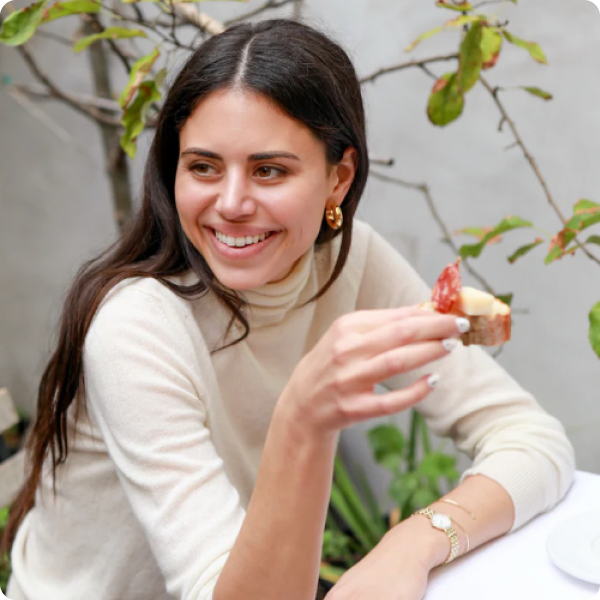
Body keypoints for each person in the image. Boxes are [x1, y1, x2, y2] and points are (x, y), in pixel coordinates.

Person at [2, 18, 574, 600]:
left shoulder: (351, 263)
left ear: (338, 179)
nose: (229, 204)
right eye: (202, 166)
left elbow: (530, 438)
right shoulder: (137, 326)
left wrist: (412, 544)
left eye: (268, 169)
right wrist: (303, 416)